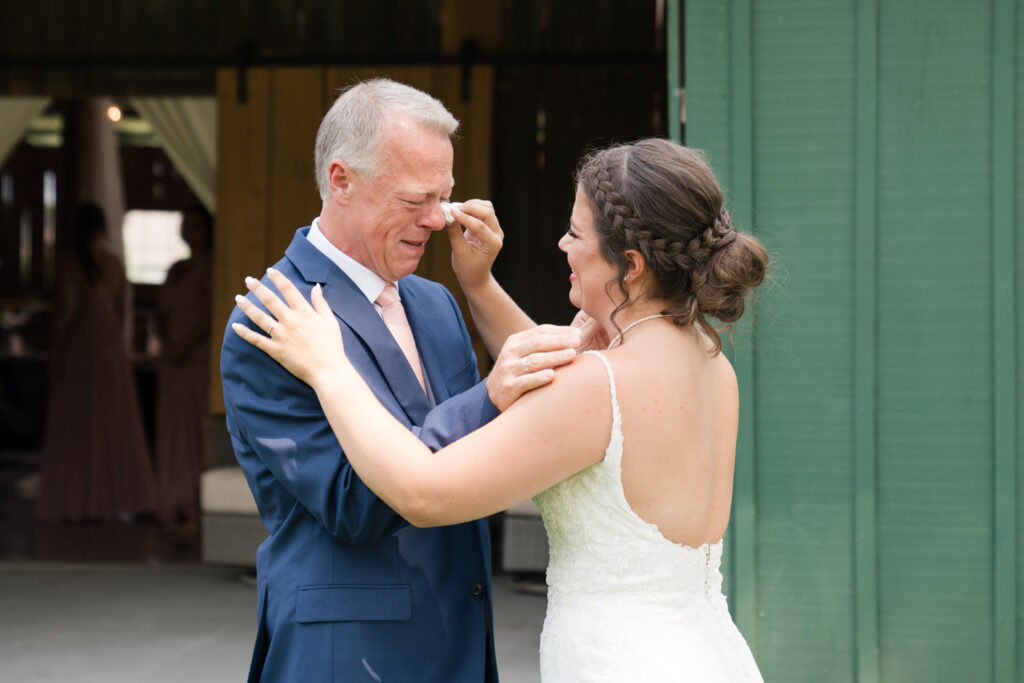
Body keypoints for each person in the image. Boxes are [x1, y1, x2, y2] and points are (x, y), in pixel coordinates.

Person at [233, 138, 769, 681]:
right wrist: (478, 283)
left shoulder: (596, 384)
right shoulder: (710, 364)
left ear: (629, 265)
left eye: (576, 234)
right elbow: (554, 381)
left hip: (620, 661)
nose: (562, 243)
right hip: (707, 652)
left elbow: (424, 490)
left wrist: (329, 367)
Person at [220, 79, 579, 682]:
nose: (438, 220)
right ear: (341, 180)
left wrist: (482, 289)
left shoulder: (436, 303)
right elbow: (351, 505)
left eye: (445, 196)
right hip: (348, 654)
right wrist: (489, 395)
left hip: (458, 641)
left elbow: (482, 458)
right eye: (415, 199)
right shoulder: (274, 318)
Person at [35, 203, 158, 522]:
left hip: (82, 346)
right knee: (110, 421)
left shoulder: (68, 264)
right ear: (102, 229)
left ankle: (79, 500)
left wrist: (57, 355)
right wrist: (121, 350)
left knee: (78, 424)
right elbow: (121, 316)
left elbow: (65, 314)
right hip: (109, 347)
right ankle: (110, 500)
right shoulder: (114, 263)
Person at [154, 205, 213, 525]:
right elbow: (160, 313)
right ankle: (171, 502)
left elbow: (208, 315)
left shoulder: (210, 267)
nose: (191, 232)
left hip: (195, 362)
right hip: (172, 364)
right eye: (186, 225)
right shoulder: (176, 268)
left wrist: (182, 346)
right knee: (171, 433)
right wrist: (167, 344)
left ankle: (192, 505)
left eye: (197, 225)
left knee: (191, 434)